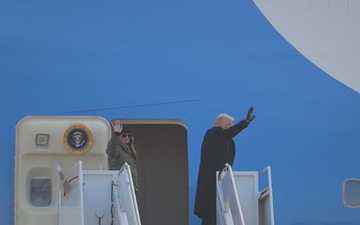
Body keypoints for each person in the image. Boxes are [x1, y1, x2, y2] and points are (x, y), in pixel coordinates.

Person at [194, 107, 256, 225]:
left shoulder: (229, 142)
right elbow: (225, 135)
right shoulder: (212, 133)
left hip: (221, 186)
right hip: (211, 185)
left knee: (217, 215)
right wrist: (245, 123)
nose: (231, 127)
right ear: (219, 124)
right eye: (228, 124)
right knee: (210, 217)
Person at [106, 120, 139, 192]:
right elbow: (110, 150)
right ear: (120, 136)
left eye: (129, 136)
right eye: (124, 135)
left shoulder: (130, 151)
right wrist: (116, 134)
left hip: (130, 188)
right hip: (120, 187)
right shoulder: (117, 148)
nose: (127, 137)